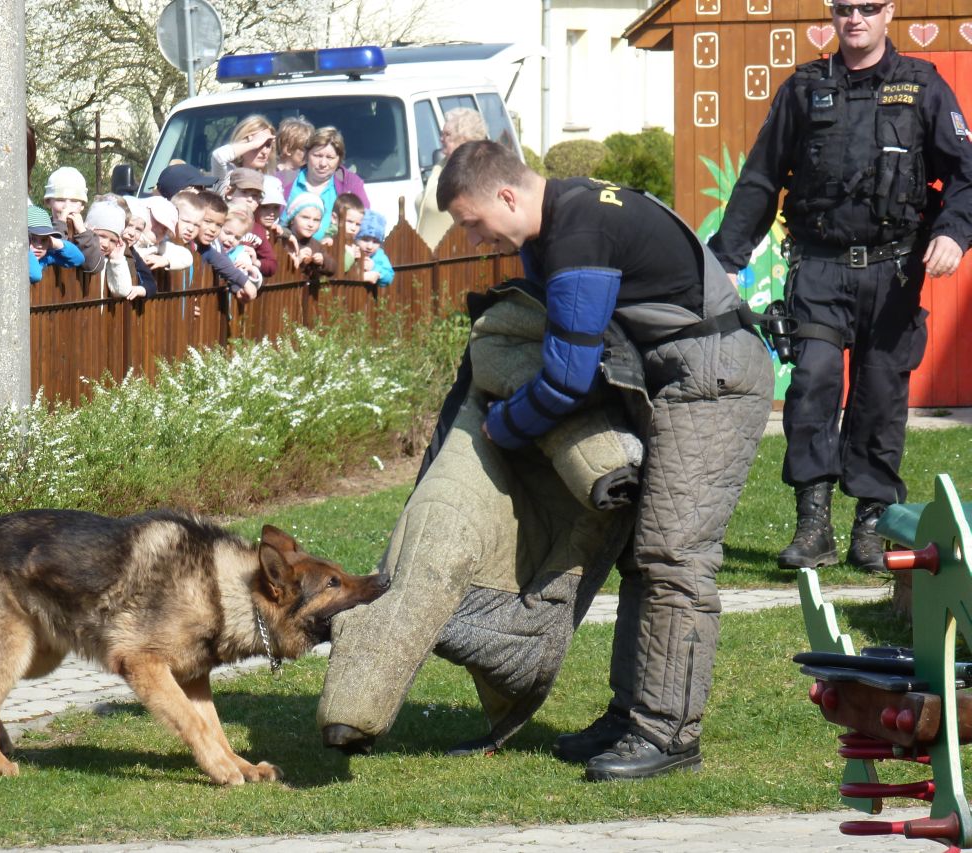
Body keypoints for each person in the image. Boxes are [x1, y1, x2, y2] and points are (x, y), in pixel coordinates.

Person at [320, 140, 773, 781]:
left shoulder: (576, 230)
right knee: (644, 556)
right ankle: (632, 717)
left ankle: (668, 734)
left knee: (675, 556)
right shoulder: (565, 216)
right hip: (680, 370)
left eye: (472, 222)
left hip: (712, 375)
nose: (473, 240)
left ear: (507, 195)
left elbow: (566, 377)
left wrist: (504, 427)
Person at [707, 0, 972, 574]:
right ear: (832, 14)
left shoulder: (922, 85)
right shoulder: (804, 89)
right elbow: (761, 175)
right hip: (820, 265)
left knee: (881, 395)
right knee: (813, 385)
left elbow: (964, 175)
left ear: (889, 12)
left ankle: (872, 522)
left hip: (893, 271)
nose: (856, 18)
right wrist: (725, 259)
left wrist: (953, 233)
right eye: (844, 8)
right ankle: (813, 521)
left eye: (868, 7)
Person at [279, 126, 369, 240]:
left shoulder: (350, 184)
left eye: (330, 157)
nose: (323, 163)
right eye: (317, 156)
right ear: (306, 155)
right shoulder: (283, 181)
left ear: (339, 160)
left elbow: (365, 224)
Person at [417, 108, 489, 250]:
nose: (441, 139)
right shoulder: (441, 166)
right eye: (441, 134)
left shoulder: (472, 170)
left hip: (451, 260)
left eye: (447, 134)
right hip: (423, 259)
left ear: (464, 138)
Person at [43, 166, 104, 274]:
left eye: (74, 201)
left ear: (82, 205)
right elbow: (53, 252)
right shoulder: (41, 229)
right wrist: (60, 224)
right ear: (48, 202)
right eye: (60, 200)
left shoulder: (88, 236)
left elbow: (93, 267)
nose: (67, 207)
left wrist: (82, 232)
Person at [222, 168, 277, 277]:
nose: (250, 199)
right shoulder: (219, 218)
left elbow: (272, 264)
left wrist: (256, 262)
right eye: (244, 192)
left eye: (255, 195)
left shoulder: (257, 230)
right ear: (229, 192)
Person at [209, 114, 276, 183]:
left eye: (268, 145)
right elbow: (218, 156)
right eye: (259, 145)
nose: (264, 152)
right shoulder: (227, 175)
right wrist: (253, 144)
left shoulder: (271, 181)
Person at [27, 204, 84, 284]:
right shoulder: (19, 259)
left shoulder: (46, 258)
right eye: (33, 239)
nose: (39, 246)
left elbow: (78, 259)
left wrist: (55, 242)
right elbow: (35, 275)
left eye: (44, 240)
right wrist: (25, 250)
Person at [282, 192, 335, 278]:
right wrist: (297, 260)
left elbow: (333, 268)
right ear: (292, 219)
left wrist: (323, 261)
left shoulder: (315, 245)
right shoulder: (283, 242)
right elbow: (277, 271)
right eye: (305, 217)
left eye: (316, 220)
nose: (311, 224)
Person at [356, 210, 394, 285]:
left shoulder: (379, 255)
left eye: (375, 242)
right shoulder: (351, 250)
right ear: (356, 238)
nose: (370, 247)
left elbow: (389, 276)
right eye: (365, 240)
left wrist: (374, 268)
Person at [274, 117, 314, 186]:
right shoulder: (269, 174)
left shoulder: (310, 174)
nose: (309, 153)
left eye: (311, 149)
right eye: (305, 149)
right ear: (288, 149)